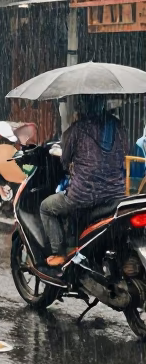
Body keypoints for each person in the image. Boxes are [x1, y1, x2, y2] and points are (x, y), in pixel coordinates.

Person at [40, 96, 127, 268]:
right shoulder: (117, 127)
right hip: (115, 196)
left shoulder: (78, 129)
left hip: (83, 197)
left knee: (46, 207)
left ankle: (58, 253)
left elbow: (65, 161)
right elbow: (124, 153)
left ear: (82, 107)